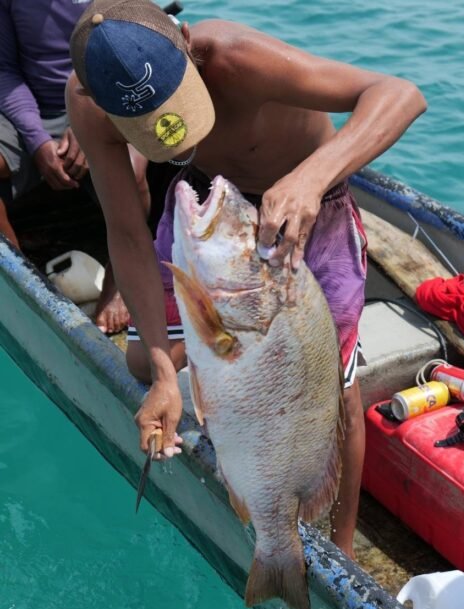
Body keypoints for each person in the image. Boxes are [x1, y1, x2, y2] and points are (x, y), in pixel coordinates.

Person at [66, 0, 426, 557]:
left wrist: (311, 178)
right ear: (93, 99)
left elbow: (399, 93)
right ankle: (214, 393)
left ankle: (344, 546)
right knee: (144, 362)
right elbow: (127, 233)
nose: (177, 136)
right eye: (154, 130)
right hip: (210, 210)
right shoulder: (87, 105)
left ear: (187, 42)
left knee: (336, 388)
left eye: (179, 107)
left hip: (312, 208)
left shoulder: (237, 58)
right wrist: (165, 374)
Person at [0, 0, 141, 334]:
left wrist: (87, 117)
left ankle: (121, 279)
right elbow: (4, 70)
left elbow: (130, 57)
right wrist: (36, 139)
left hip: (103, 100)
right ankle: (24, 286)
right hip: (31, 111)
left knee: (134, 171)